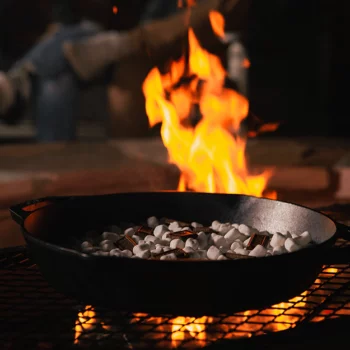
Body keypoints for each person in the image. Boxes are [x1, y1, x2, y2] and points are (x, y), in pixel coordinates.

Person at [0, 0, 116, 142]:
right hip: (55, 55)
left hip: (91, 42)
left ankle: (16, 82)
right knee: (57, 77)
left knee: (83, 32)